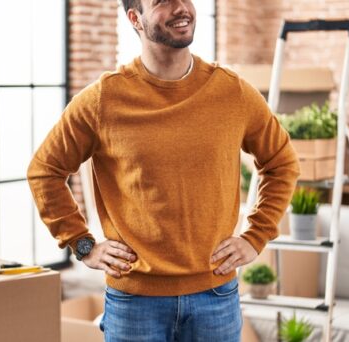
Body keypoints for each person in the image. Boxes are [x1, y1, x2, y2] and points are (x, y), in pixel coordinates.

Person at [27, 0, 299, 340]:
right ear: (135, 19)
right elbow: (44, 170)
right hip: (134, 303)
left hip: (215, 297)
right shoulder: (103, 100)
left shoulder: (232, 92)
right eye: (163, 2)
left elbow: (282, 161)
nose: (181, 8)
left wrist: (255, 236)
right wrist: (83, 244)